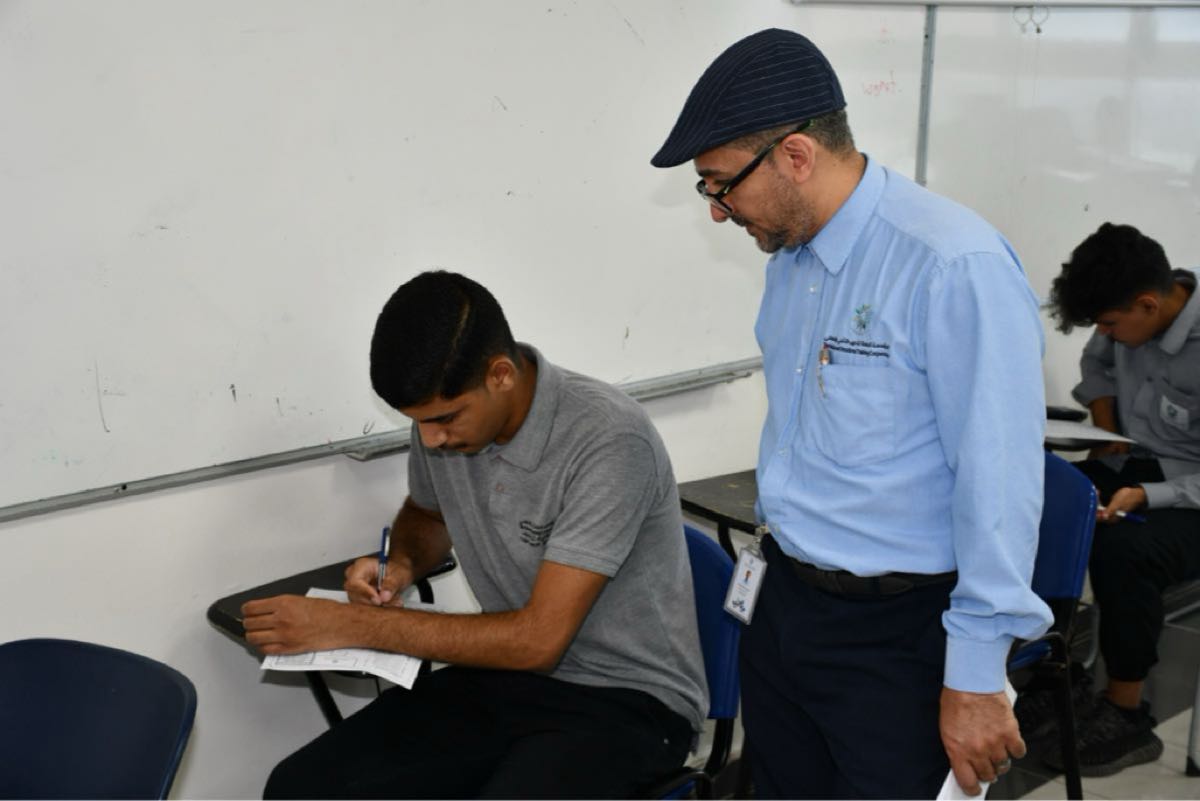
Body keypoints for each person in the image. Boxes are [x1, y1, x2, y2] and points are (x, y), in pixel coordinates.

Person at [651, 28, 1052, 799]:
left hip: (898, 634)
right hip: (786, 606)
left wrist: (974, 674)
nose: (719, 212)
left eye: (720, 185)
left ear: (796, 156)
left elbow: (1000, 484)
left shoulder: (951, 265)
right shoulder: (791, 259)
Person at [242, 271, 707, 798]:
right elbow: (429, 514)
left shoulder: (609, 439)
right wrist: (401, 564)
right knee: (300, 787)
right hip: (508, 677)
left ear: (501, 374)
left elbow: (536, 641)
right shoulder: (445, 424)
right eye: (418, 422)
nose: (430, 439)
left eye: (443, 418)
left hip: (629, 699)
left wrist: (352, 625)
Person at [1042, 222, 1200, 776]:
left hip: (1192, 493)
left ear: (1149, 304)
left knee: (1125, 551)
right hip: (1132, 460)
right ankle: (1051, 677)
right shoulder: (1125, 313)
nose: (1104, 333)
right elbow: (1097, 364)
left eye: (1110, 324)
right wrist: (1107, 428)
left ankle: (1126, 712)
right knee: (1038, 505)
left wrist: (1149, 495)